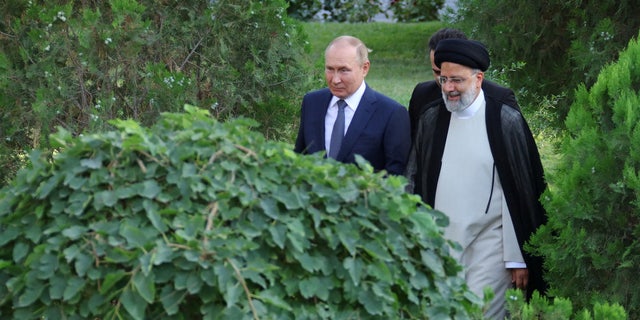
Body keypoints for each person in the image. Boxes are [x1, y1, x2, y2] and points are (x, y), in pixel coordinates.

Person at [405, 39, 547, 319]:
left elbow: (520, 191)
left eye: (457, 80)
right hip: (442, 242)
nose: (448, 88)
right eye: (444, 79)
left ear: (478, 79)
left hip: (490, 244)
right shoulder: (431, 118)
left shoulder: (504, 119)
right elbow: (415, 179)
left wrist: (517, 256)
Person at [294, 35, 410, 175]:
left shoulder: (391, 113)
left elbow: (396, 176)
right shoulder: (312, 103)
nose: (335, 80)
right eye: (330, 69)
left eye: (344, 70)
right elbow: (299, 158)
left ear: (365, 68)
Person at [408, 28, 519, 140]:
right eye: (438, 72)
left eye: (455, 77)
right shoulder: (422, 95)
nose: (444, 83)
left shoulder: (500, 99)